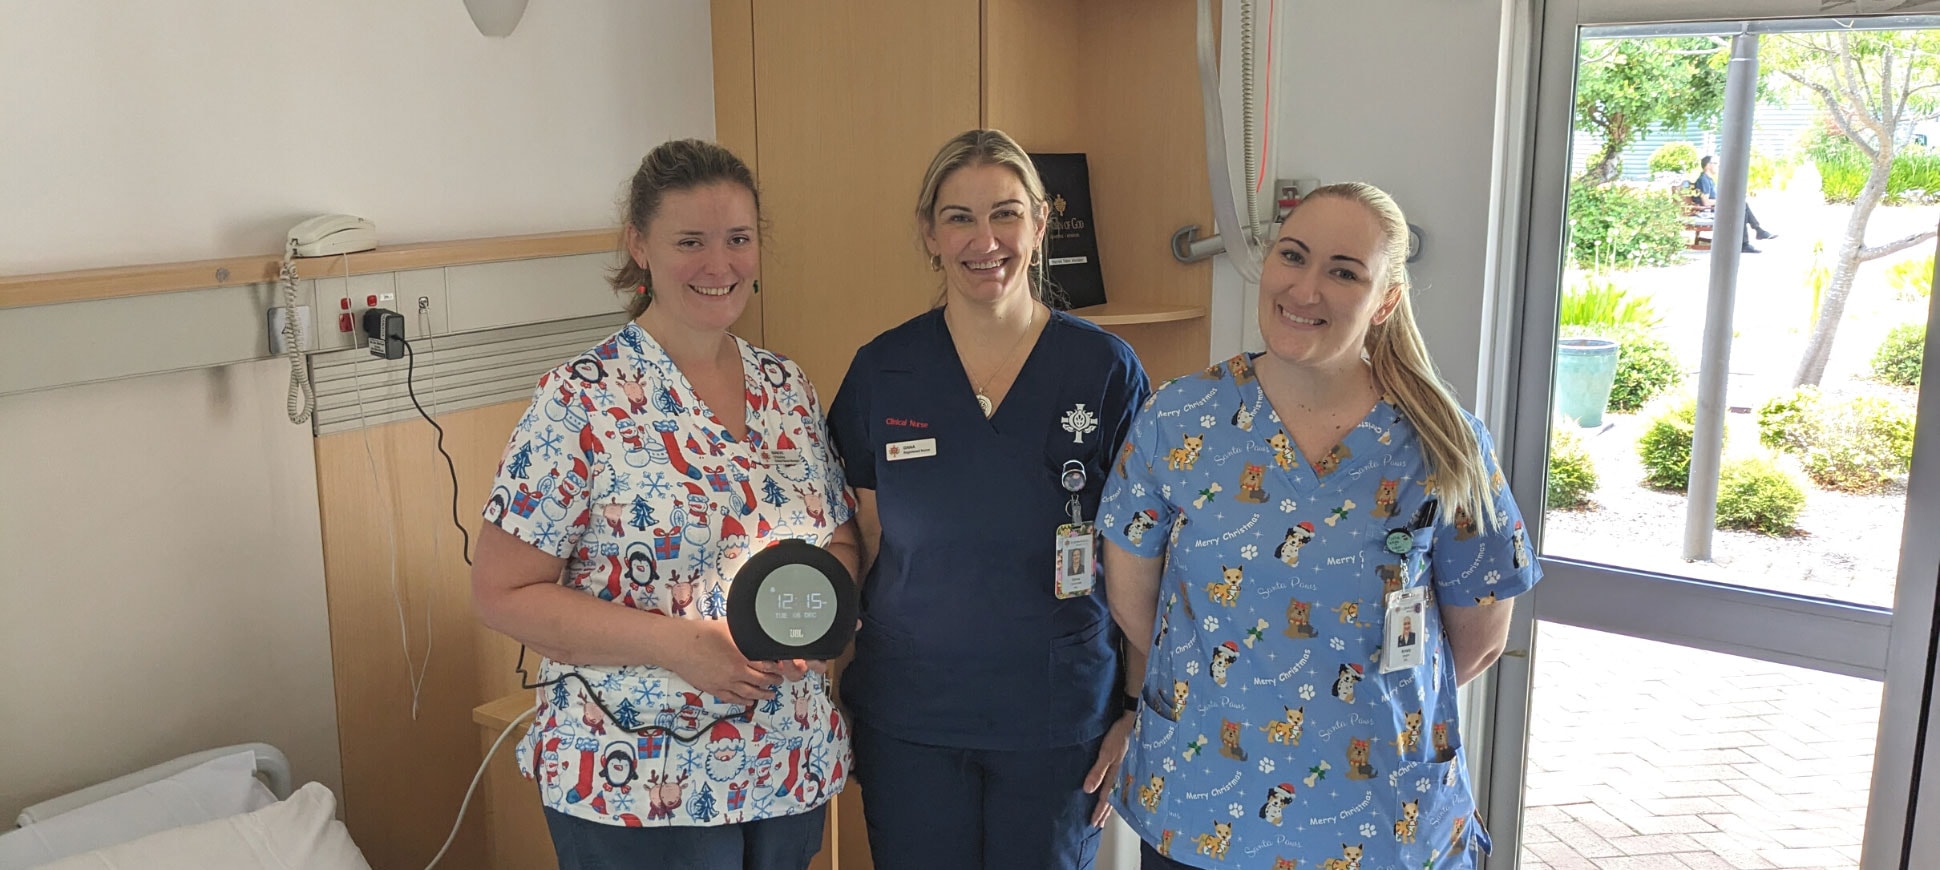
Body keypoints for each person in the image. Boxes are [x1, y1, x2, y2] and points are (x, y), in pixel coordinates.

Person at [1097, 182, 1541, 869]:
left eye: (1343, 271)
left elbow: (1479, 641)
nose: (1306, 289)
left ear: (1386, 299)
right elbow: (1135, 607)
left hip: (1380, 824)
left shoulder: (1443, 445)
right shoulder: (1180, 420)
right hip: (1207, 808)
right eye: (1292, 256)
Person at [471, 139, 861, 870]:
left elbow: (836, 544)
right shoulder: (580, 399)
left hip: (781, 762)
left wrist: (815, 622)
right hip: (639, 774)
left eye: (738, 239)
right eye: (691, 242)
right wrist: (679, 646)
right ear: (639, 246)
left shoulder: (786, 387)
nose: (720, 266)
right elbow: (501, 593)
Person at [825, 128, 1152, 870]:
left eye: (1006, 214)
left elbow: (1140, 558)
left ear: (1041, 222)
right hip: (911, 717)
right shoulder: (885, 371)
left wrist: (1136, 709)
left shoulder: (1103, 370)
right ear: (929, 233)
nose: (985, 240)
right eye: (959, 217)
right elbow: (862, 543)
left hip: (1057, 715)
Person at [1693, 154, 1776, 253]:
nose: (1718, 166)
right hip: (1707, 212)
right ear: (1708, 165)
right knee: (1741, 207)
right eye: (1716, 163)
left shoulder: (1708, 180)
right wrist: (1725, 201)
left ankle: (1751, 237)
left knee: (1742, 206)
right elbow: (1706, 202)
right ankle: (1753, 235)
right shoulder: (1703, 180)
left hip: (1715, 208)